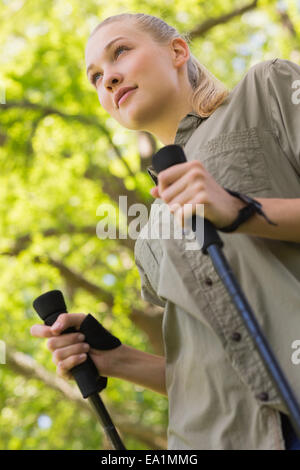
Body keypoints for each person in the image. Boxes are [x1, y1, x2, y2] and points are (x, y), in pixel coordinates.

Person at [30, 13, 300, 450]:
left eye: (121, 52)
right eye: (95, 78)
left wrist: (240, 210)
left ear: (177, 51)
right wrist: (114, 359)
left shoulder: (265, 90)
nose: (109, 79)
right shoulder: (150, 232)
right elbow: (208, 381)